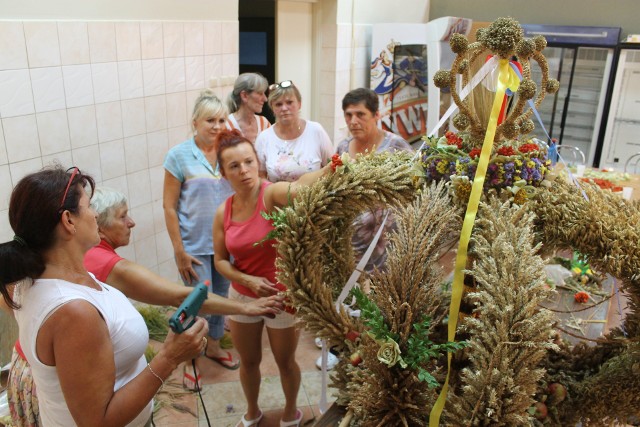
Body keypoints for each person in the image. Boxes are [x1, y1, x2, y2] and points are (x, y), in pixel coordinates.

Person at [3, 185, 283, 427]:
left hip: (39, 379)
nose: (132, 222)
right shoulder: (92, 285)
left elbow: (17, 305)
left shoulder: (37, 273)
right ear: (69, 221)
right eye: (121, 216)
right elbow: (179, 296)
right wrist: (172, 356)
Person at [0, 166, 207, 426]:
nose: (96, 214)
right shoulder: (73, 312)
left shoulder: (31, 278)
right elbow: (98, 422)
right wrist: (170, 357)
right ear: (68, 220)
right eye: (88, 206)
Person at [213, 129, 331, 427]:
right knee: (249, 361)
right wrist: (248, 281)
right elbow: (220, 262)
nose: (244, 171)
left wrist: (334, 166)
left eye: (249, 162)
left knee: (284, 360)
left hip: (281, 296)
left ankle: (290, 412)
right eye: (234, 166)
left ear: (258, 162)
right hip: (242, 296)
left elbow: (300, 187)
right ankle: (252, 411)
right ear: (224, 173)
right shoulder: (222, 212)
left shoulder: (271, 194)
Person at [163, 89, 240, 369]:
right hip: (193, 246)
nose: (217, 127)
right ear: (195, 122)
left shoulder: (229, 152)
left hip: (224, 244)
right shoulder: (178, 156)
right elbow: (169, 207)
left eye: (221, 120)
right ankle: (190, 362)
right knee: (198, 306)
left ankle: (215, 347)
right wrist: (179, 251)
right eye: (210, 120)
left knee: (220, 300)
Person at [255, 80, 334, 183]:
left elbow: (332, 167)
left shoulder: (316, 131)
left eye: (289, 102)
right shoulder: (264, 138)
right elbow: (260, 176)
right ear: (272, 108)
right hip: (277, 198)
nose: (284, 108)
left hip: (314, 198)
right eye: (278, 104)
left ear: (299, 104)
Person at [226, 72, 272, 143]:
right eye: (260, 93)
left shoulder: (264, 123)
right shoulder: (226, 124)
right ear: (244, 96)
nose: (265, 99)